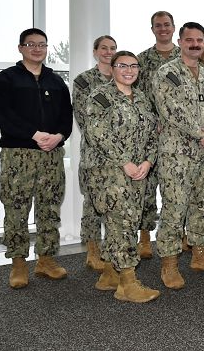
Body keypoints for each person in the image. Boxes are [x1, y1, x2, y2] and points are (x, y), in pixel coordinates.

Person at [0, 28, 73, 289]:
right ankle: (18, 263)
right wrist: (34, 134)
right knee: (16, 207)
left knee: (50, 206)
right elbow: (1, 115)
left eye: (42, 44)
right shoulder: (6, 79)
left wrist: (58, 136)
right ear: (20, 48)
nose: (37, 49)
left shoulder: (56, 82)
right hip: (18, 154)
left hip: (51, 154)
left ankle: (46, 260)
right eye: (31, 44)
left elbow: (66, 118)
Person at [153, 21, 204, 290]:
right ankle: (170, 264)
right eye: (190, 40)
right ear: (181, 41)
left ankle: (199, 255)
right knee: (174, 208)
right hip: (177, 155)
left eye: (200, 40)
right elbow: (171, 110)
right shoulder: (167, 73)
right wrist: (201, 133)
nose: (196, 44)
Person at [84, 51, 159, 303]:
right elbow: (98, 134)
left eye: (133, 65)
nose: (129, 70)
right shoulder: (100, 96)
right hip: (109, 172)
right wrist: (124, 162)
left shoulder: (143, 99)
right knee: (122, 223)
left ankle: (108, 274)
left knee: (126, 221)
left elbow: (153, 134)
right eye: (122, 65)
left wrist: (148, 161)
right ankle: (127, 283)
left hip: (138, 171)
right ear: (112, 68)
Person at [136, 11, 180, 259]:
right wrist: (152, 123)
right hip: (151, 135)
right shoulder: (142, 60)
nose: (163, 29)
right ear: (152, 29)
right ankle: (144, 237)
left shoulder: (183, 58)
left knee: (177, 188)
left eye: (167, 25)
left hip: (178, 135)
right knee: (148, 187)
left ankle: (179, 234)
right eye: (158, 25)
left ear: (174, 28)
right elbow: (139, 97)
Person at [72, 35, 117, 273]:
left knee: (117, 205)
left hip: (122, 158)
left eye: (112, 48)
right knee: (92, 204)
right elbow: (85, 120)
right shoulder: (84, 81)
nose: (108, 52)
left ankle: (114, 250)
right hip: (95, 157)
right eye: (104, 48)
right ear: (95, 51)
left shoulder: (124, 78)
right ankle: (92, 251)